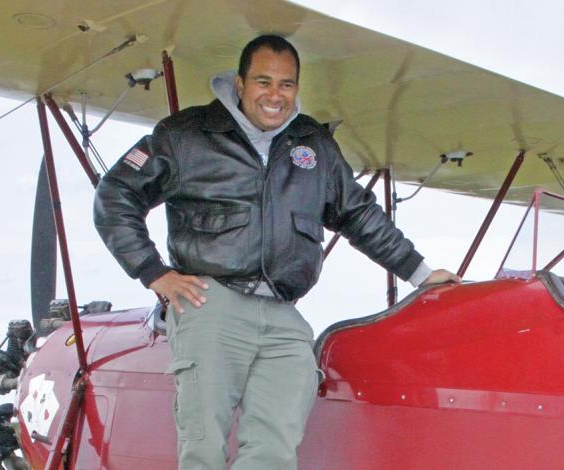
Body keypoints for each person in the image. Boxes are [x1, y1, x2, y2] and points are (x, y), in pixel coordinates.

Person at [94, 34, 460, 470]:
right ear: (240, 83)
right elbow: (115, 195)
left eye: (286, 85)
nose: (274, 95)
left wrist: (420, 273)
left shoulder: (313, 145)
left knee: (275, 452)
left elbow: (359, 214)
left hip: (284, 312)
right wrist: (153, 272)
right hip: (211, 302)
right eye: (263, 82)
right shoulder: (185, 135)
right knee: (203, 447)